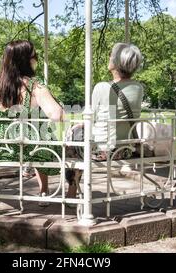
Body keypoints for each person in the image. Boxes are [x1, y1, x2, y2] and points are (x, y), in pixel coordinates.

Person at [0, 40, 64, 204]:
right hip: (31, 148)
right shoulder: (35, 85)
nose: (36, 60)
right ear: (26, 60)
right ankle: (44, 191)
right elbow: (56, 115)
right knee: (43, 135)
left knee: (39, 133)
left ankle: (43, 190)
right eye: (35, 56)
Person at [65, 42, 145, 198]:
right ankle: (73, 185)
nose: (109, 58)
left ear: (116, 62)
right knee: (80, 137)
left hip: (102, 150)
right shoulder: (138, 88)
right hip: (126, 149)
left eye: (111, 55)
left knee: (72, 135)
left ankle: (72, 187)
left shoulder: (102, 87)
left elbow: (91, 118)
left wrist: (78, 126)